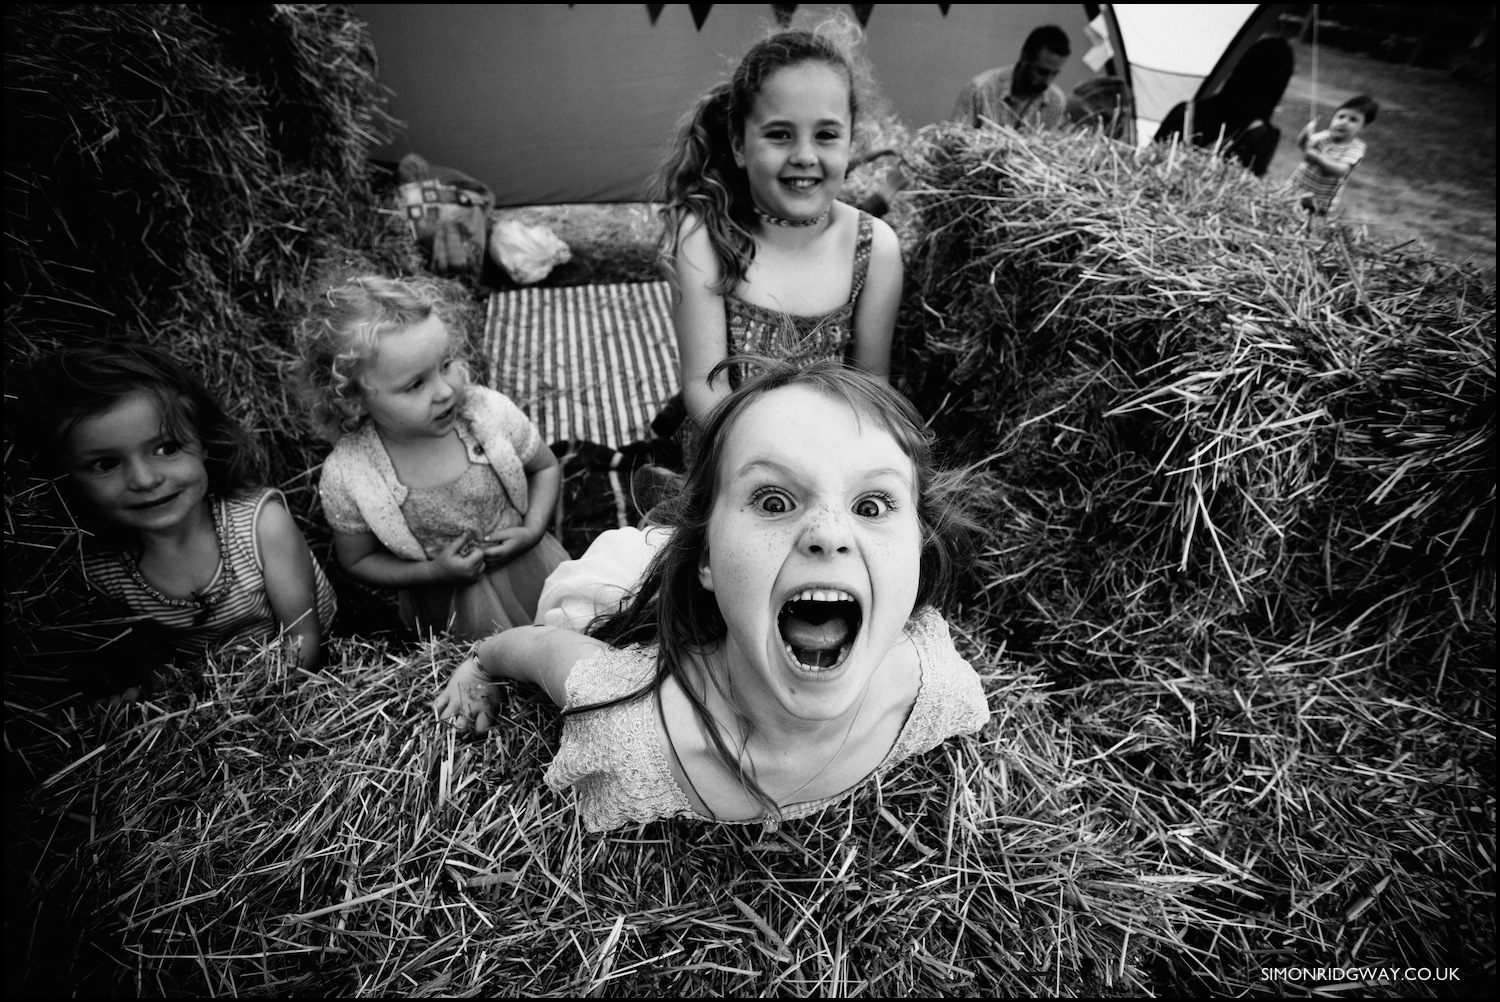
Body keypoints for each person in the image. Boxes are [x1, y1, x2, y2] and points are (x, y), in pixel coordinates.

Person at [435, 358, 989, 830]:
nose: (829, 533)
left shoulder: (938, 689)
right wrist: (481, 663)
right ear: (703, 557)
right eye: (773, 500)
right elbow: (538, 647)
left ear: (919, 547)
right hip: (620, 593)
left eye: (872, 505)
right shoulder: (631, 720)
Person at [648, 19, 903, 464]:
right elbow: (706, 387)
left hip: (833, 452)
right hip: (728, 451)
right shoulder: (705, 234)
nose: (804, 155)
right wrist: (770, 463)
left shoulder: (875, 246)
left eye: (825, 135)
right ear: (739, 143)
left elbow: (872, 382)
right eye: (779, 134)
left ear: (850, 141)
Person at [20, 343, 337, 697]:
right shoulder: (102, 572)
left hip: (310, 667)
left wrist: (258, 700)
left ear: (202, 442)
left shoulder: (262, 525)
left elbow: (302, 638)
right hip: (213, 695)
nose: (144, 480)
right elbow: (154, 667)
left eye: (166, 448)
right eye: (106, 464)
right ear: (62, 479)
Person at [297, 274, 568, 640]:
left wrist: (534, 529)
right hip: (448, 604)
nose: (444, 391)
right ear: (353, 399)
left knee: (558, 634)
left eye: (446, 364)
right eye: (415, 384)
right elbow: (357, 560)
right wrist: (432, 573)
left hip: (528, 566)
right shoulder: (350, 474)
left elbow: (546, 468)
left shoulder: (487, 413)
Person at [1153, 36, 1295, 177]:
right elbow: (1249, 186)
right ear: (1277, 88)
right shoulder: (1262, 136)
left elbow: (1150, 155)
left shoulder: (1184, 111)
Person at [952, 24, 1071, 131]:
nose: (1048, 81)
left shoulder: (1056, 100)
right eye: (1042, 72)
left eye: (1054, 74)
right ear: (1025, 58)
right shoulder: (980, 89)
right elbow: (954, 145)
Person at [1286, 94, 1378, 215]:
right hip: (1294, 191)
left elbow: (1340, 170)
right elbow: (1305, 146)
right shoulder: (1325, 135)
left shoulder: (1355, 147)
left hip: (1318, 203)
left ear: (1363, 127)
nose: (1344, 122)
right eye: (1340, 116)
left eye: (1353, 120)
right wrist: (1306, 133)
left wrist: (1316, 156)